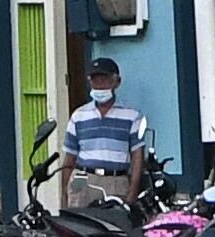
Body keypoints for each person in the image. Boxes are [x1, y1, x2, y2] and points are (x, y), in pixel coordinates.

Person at [62, 55, 150, 206]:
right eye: (95, 80)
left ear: (116, 82)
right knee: (78, 225)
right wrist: (65, 194)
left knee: (114, 226)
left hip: (116, 179)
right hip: (82, 178)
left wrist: (132, 193)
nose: (99, 85)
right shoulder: (79, 116)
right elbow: (69, 157)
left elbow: (137, 158)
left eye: (104, 79)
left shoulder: (131, 115)